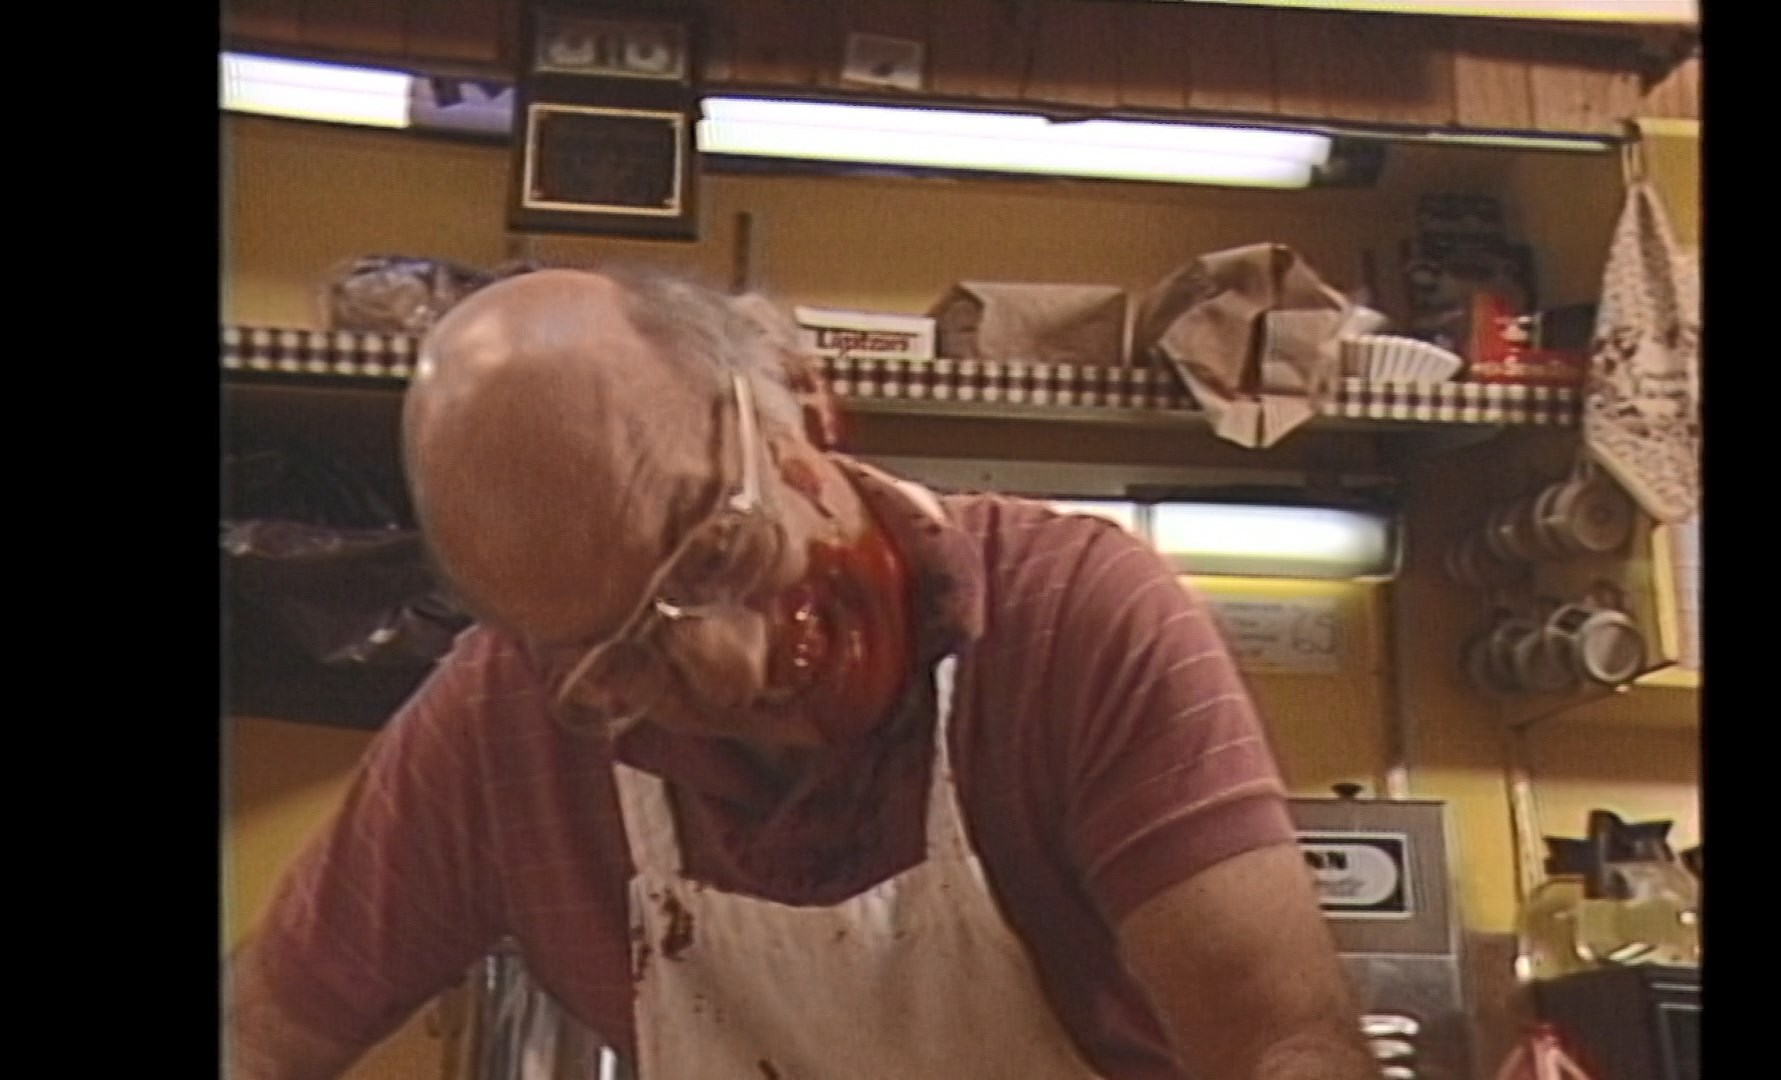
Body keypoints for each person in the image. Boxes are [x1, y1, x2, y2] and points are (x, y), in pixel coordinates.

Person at [225, 265, 1376, 1080]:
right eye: (624, 659)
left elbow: (1280, 1043)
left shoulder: (1074, 623)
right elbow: (262, 1036)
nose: (726, 670)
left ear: (802, 403)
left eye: (717, 550)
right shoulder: (505, 723)